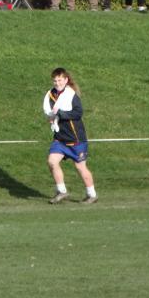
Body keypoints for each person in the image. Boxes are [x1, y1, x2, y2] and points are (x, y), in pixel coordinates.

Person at [43, 67, 98, 205]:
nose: (57, 83)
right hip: (60, 139)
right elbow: (49, 112)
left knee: (80, 167)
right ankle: (61, 191)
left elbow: (78, 113)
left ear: (66, 80)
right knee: (52, 161)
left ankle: (92, 194)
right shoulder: (50, 94)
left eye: (60, 80)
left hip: (76, 139)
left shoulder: (71, 95)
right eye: (55, 80)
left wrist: (61, 114)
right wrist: (51, 117)